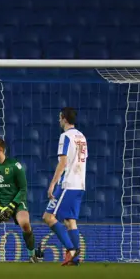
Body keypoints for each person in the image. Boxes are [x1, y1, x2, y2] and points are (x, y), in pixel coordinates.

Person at [43, 107, 87, 266]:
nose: (58, 120)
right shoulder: (82, 137)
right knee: (70, 221)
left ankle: (72, 249)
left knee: (48, 217)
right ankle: (75, 260)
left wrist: (53, 183)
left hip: (68, 183)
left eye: (59, 117)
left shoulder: (65, 136)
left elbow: (63, 163)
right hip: (80, 184)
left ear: (63, 118)